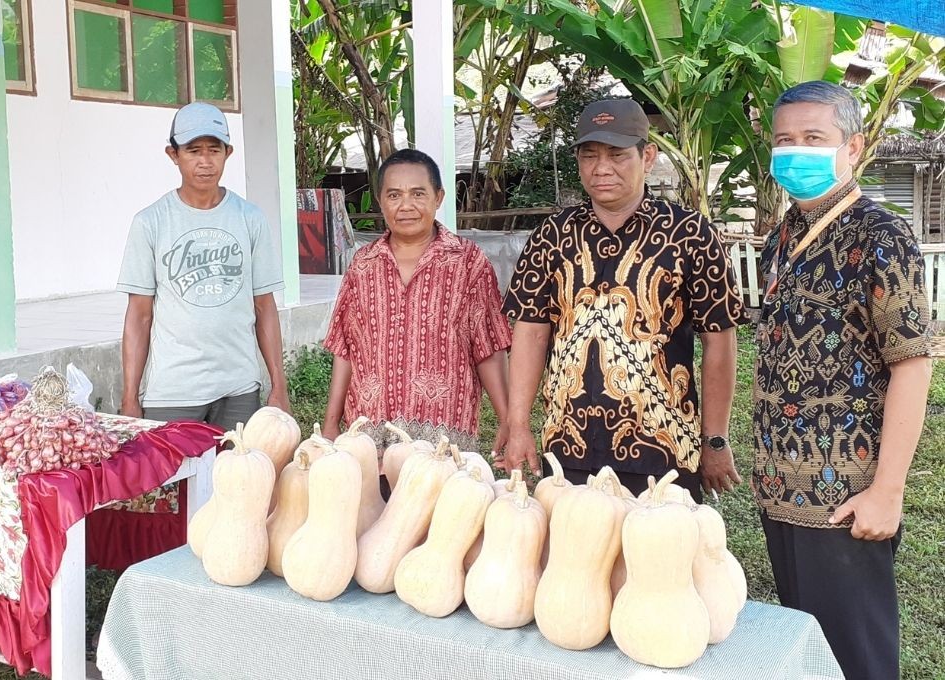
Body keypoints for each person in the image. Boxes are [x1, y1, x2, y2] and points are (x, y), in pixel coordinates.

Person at [753, 81, 931, 680]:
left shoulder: (881, 236)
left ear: (852, 148)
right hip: (780, 492)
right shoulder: (784, 234)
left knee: (857, 660)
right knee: (806, 657)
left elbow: (912, 362)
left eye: (813, 138)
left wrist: (888, 493)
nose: (794, 151)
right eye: (784, 140)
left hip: (846, 500)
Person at [502, 99, 746, 501]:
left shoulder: (690, 234)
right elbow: (530, 332)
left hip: (664, 448)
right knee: (573, 559)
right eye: (589, 155)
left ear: (647, 156)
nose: (601, 168)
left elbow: (719, 340)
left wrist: (715, 439)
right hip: (568, 446)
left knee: (657, 559)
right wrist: (518, 424)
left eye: (617, 154)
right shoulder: (552, 236)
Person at [321, 149, 511, 464]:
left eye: (418, 194)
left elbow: (488, 348)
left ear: (439, 197)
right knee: (375, 511)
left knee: (440, 512)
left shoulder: (468, 263)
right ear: (380, 200)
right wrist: (330, 422)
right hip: (370, 436)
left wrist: (507, 418)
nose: (406, 205)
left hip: (444, 438)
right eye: (394, 195)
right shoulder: (362, 265)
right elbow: (346, 347)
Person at [117, 102, 290, 428]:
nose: (205, 162)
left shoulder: (249, 219)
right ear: (173, 154)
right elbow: (139, 316)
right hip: (173, 394)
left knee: (238, 477)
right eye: (193, 151)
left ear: (229, 153)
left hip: (239, 390)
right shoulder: (151, 222)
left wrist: (278, 386)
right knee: (175, 479)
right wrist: (130, 397)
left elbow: (264, 307)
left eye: (214, 150)